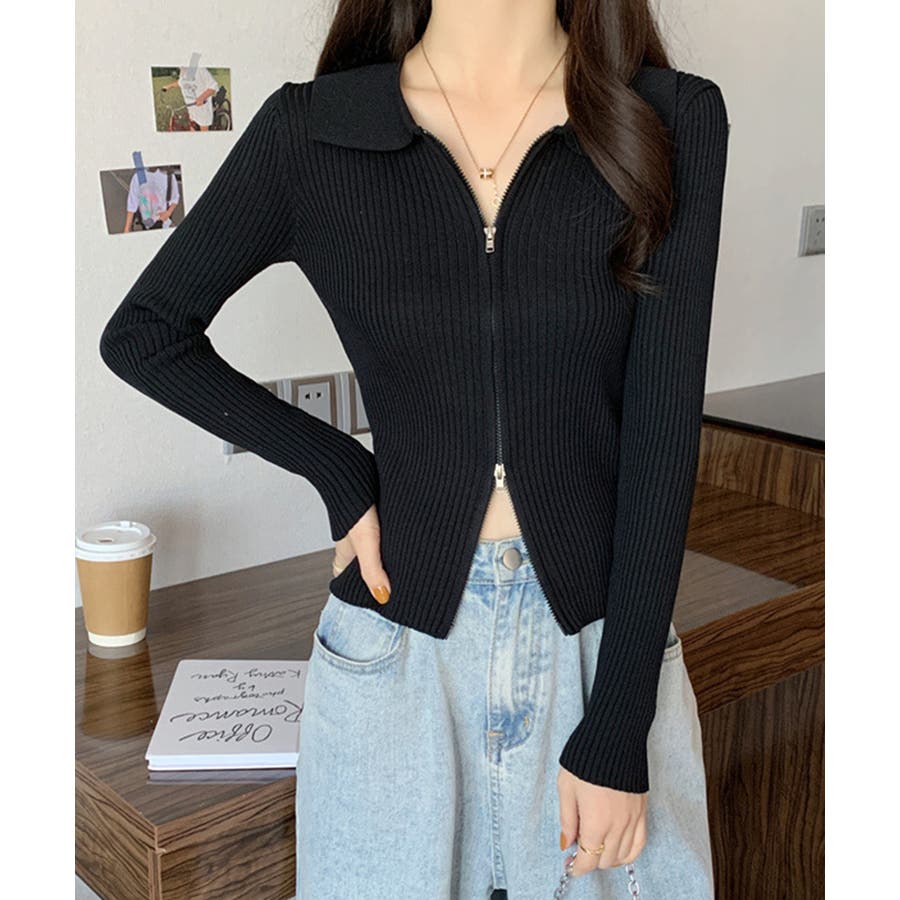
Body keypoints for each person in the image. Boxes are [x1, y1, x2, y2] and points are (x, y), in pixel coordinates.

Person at [99, 2, 729, 898]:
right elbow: (145, 333)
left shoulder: (667, 118)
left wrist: (620, 726)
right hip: (394, 656)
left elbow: (663, 437)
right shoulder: (313, 132)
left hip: (601, 650)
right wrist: (339, 470)